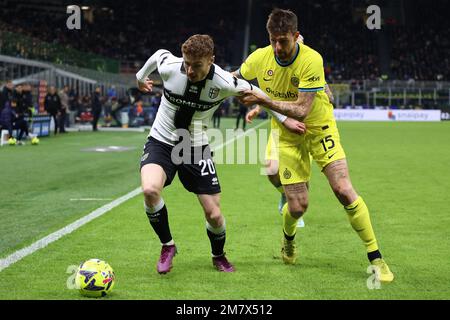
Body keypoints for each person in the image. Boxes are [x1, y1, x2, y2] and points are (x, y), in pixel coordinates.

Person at [238, 8, 393, 282]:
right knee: (297, 207)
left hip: (320, 129)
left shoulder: (311, 59)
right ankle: (288, 240)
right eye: (272, 39)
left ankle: (376, 258)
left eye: (283, 40)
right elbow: (234, 77)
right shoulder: (259, 59)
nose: (277, 46)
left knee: (344, 190)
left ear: (296, 37)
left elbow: (301, 109)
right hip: (287, 137)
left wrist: (261, 100)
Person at [136, 34, 288, 275]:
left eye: (197, 65)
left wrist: (285, 119)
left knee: (214, 215)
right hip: (161, 140)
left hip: (195, 147)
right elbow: (158, 55)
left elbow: (260, 94)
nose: (190, 70)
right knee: (150, 190)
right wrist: (140, 78)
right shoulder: (172, 68)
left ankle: (218, 256)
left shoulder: (225, 82)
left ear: (211, 61)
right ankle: (168, 246)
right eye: (187, 63)